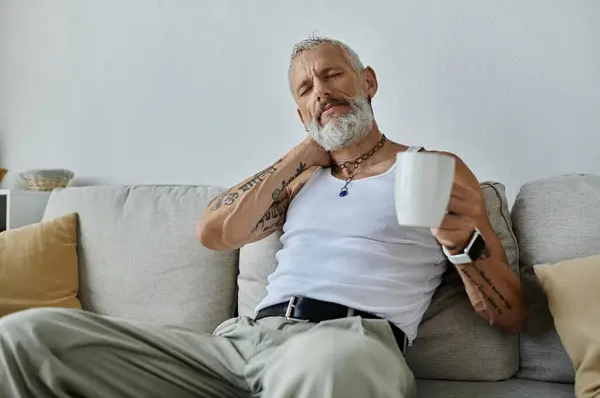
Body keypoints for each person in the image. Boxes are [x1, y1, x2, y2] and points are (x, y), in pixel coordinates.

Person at [0, 36, 527, 398]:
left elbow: (510, 316)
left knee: (330, 365)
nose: (321, 91)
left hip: (349, 344)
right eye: (305, 90)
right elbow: (214, 232)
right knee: (27, 336)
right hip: (240, 345)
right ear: (300, 113)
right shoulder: (300, 181)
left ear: (367, 80)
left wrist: (464, 244)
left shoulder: (433, 169)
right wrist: (307, 150)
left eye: (331, 75)